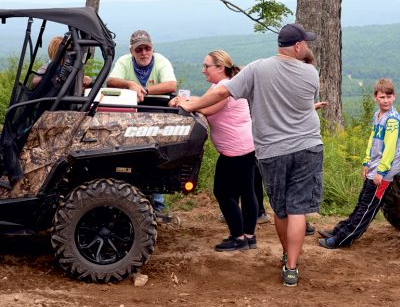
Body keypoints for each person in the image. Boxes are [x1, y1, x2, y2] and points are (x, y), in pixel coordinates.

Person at [172, 23, 324, 287]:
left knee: (281, 210)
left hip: (273, 150)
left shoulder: (257, 68)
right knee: (298, 210)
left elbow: (223, 91)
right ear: (298, 46)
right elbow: (304, 88)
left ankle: (286, 254)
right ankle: (291, 267)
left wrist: (191, 105)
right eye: (306, 43)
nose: (308, 47)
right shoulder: (311, 73)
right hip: (308, 146)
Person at [171, 50, 257, 251]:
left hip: (235, 150)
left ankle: (238, 238)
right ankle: (249, 236)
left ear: (220, 68)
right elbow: (204, 99)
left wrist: (185, 104)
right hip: (246, 146)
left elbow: (206, 109)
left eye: (206, 66)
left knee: (223, 192)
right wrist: (185, 99)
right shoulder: (225, 85)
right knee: (247, 191)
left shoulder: (224, 88)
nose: (203, 70)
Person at [318, 78, 400, 250]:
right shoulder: (378, 115)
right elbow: (373, 140)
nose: (385, 101)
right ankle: (340, 230)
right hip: (375, 166)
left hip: (385, 170)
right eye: (382, 97)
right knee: (362, 203)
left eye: (388, 97)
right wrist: (366, 162)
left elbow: (389, 149)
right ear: (375, 97)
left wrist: (381, 172)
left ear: (394, 97)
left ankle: (342, 239)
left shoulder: (392, 120)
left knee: (367, 208)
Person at [108, 30, 177, 216]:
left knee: (155, 157)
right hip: (129, 115)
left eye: (147, 48)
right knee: (128, 156)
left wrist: (144, 90)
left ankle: (157, 203)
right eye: (139, 49)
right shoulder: (124, 61)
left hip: (156, 114)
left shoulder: (160, 61)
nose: (144, 53)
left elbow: (171, 84)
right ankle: (127, 200)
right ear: (132, 51)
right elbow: (111, 81)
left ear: (152, 48)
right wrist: (130, 85)